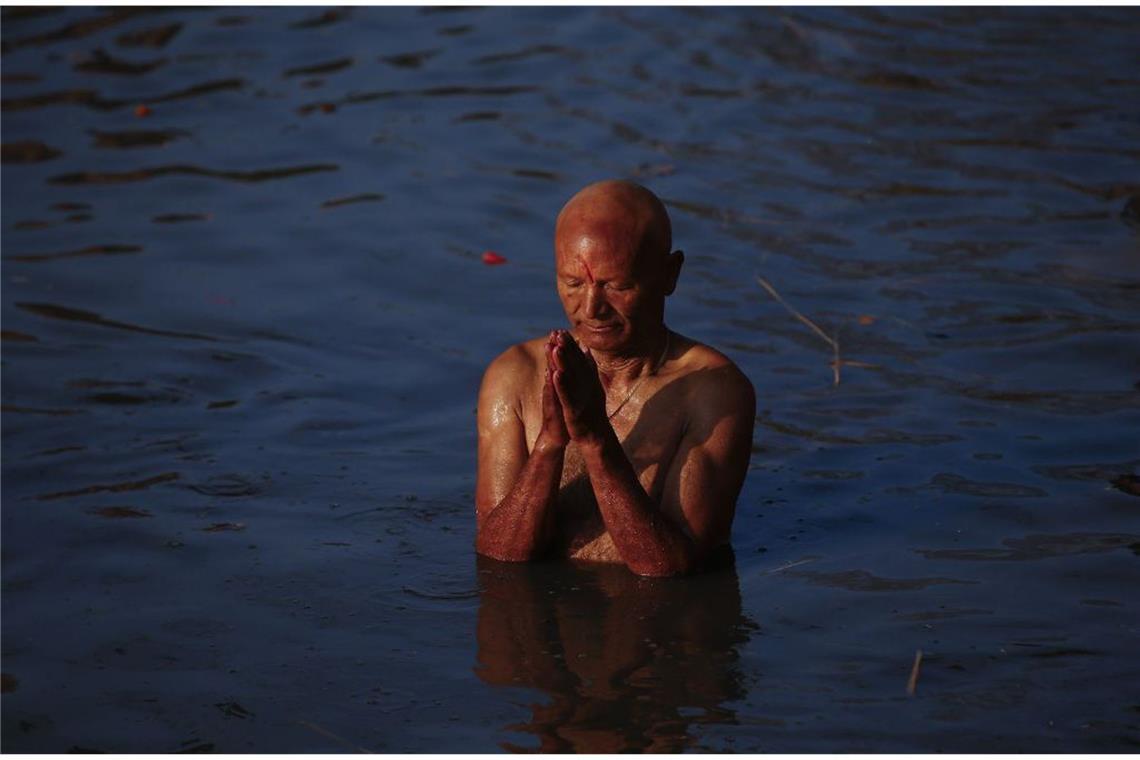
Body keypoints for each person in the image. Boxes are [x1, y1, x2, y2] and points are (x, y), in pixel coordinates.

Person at [475, 179, 755, 577]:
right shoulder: (514, 375)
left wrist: (594, 439)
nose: (591, 308)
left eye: (617, 286)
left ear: (669, 274)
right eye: (573, 283)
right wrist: (550, 443)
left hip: (658, 631)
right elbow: (498, 554)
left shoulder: (714, 392)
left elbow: (670, 567)